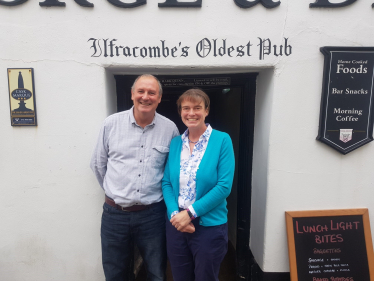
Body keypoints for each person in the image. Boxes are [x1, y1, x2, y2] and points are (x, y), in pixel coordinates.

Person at [90, 74, 179, 281]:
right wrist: (116, 192)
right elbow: (97, 164)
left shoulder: (170, 129)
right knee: (115, 272)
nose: (145, 97)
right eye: (141, 91)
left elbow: (172, 172)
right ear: (132, 94)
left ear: (159, 98)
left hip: (153, 215)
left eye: (151, 93)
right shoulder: (111, 124)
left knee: (156, 272)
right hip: (114, 215)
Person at [162, 88, 235, 281]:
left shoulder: (222, 140)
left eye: (197, 107)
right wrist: (175, 214)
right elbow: (167, 182)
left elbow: (223, 186)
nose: (191, 113)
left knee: (206, 277)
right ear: (180, 112)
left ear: (206, 110)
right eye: (186, 108)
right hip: (177, 225)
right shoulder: (176, 142)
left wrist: (190, 214)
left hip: (209, 227)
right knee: (180, 277)